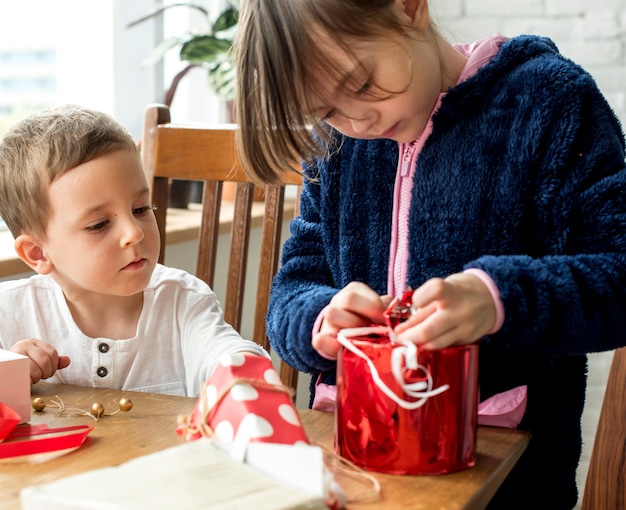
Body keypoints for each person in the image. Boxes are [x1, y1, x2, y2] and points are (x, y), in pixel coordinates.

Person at [233, 0, 626, 508]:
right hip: (352, 472)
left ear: (408, 8)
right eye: (325, 110)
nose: (357, 121)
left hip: (506, 481)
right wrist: (320, 320)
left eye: (359, 84)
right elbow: (290, 293)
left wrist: (497, 297)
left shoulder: (550, 103)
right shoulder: (334, 145)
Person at [0, 104, 268, 398]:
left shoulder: (183, 301)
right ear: (37, 253)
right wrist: (8, 372)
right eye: (99, 224)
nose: (134, 232)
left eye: (141, 208)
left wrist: (241, 366)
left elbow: (225, 353)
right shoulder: (9, 313)